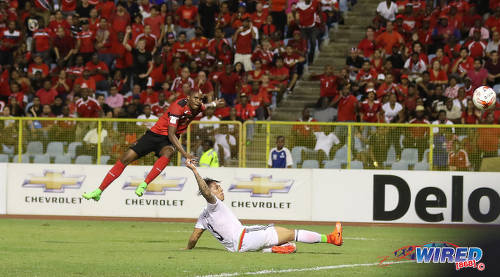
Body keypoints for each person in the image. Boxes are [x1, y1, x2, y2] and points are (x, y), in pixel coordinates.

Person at [82, 91, 224, 201]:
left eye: (200, 99)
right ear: (188, 98)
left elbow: (207, 106)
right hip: (156, 135)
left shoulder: (198, 106)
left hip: (166, 142)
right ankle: (98, 191)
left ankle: (144, 184)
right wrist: (185, 154)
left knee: (168, 152)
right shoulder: (178, 107)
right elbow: (171, 134)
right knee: (125, 158)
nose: (199, 102)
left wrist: (215, 104)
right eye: (196, 98)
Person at [184, 159, 343, 253]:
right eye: (217, 188)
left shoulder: (203, 217)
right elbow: (205, 190)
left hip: (238, 247)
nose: (221, 189)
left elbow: (194, 238)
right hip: (245, 237)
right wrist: (194, 170)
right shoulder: (214, 205)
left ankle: (275, 249)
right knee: (290, 233)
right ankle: (331, 238)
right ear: (209, 192)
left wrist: (187, 250)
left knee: (280, 238)